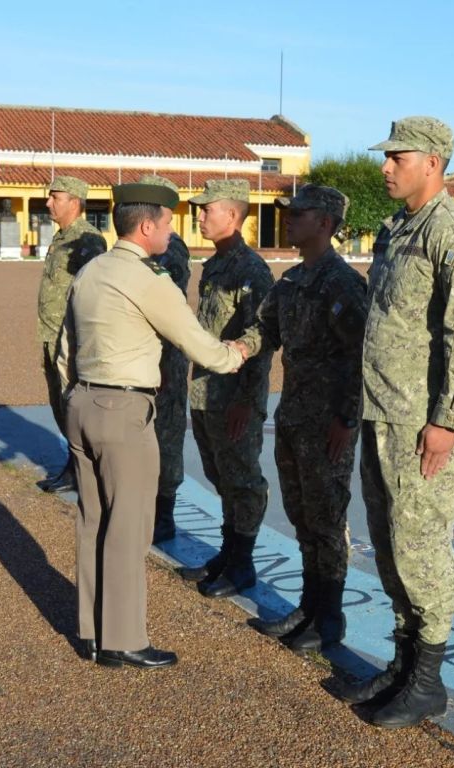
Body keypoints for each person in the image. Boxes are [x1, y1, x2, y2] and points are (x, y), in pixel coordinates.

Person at [336, 117, 454, 727]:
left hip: (422, 425)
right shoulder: (397, 232)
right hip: (381, 413)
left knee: (422, 546)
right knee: (389, 544)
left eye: (395, 157)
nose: (385, 167)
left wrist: (447, 421)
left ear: (431, 161)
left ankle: (428, 681)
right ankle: (404, 665)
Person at [57, 182, 244, 669]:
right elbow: (197, 344)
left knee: (93, 522)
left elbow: (64, 348)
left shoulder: (92, 270)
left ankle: (95, 633)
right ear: (147, 226)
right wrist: (237, 353)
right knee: (128, 528)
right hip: (122, 410)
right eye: (166, 223)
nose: (172, 231)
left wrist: (73, 396)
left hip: (81, 402)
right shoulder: (148, 279)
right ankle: (123, 639)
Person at [236, 185, 367, 653]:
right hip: (293, 420)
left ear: (326, 224)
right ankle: (309, 606)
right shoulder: (290, 282)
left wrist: (346, 420)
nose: (289, 219)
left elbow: (359, 357)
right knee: (302, 516)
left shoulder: (343, 284)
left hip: (327, 426)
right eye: (288, 213)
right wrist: (232, 352)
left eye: (299, 213)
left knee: (328, 519)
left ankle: (328, 618)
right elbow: (263, 333)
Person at [178, 179, 274, 599]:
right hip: (205, 392)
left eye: (207, 209)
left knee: (243, 481)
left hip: (233, 399)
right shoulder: (215, 265)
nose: (199, 216)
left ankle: (243, 564)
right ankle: (229, 552)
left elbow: (263, 337)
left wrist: (248, 402)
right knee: (220, 476)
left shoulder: (251, 271)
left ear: (232, 216)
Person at [37, 176, 106, 493]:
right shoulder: (63, 236)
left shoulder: (87, 240)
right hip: (52, 338)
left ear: (75, 201)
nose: (48, 202)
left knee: (76, 407)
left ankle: (85, 470)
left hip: (72, 342)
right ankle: (74, 465)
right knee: (60, 405)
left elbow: (93, 295)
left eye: (55, 197)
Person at [136, 174, 192, 544]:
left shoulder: (169, 247)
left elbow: (167, 306)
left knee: (166, 435)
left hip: (166, 358)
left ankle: (165, 513)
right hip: (142, 354)